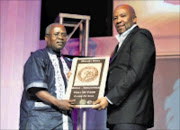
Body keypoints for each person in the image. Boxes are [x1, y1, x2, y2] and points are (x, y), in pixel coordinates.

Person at [93, 4, 156, 130]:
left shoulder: (141, 36)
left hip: (131, 115)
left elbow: (135, 73)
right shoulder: (120, 45)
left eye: (123, 16)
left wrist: (109, 99)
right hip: (119, 116)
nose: (118, 20)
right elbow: (114, 75)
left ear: (134, 19)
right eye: (115, 18)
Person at [19, 23, 75, 130]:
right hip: (39, 120)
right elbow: (36, 89)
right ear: (47, 38)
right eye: (56, 34)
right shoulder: (38, 57)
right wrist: (59, 103)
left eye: (63, 34)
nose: (60, 37)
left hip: (63, 119)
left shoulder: (67, 62)